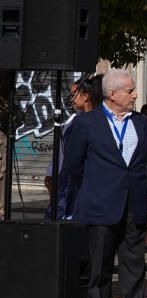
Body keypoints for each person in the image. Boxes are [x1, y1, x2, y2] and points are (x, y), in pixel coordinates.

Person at [62, 69, 147, 298]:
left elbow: (142, 165)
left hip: (134, 207)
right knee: (100, 267)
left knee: (134, 268)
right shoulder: (86, 124)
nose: (135, 95)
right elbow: (72, 166)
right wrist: (95, 189)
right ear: (112, 94)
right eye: (130, 91)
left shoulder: (141, 123)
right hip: (101, 206)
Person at [46, 74, 102, 219]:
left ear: (86, 96)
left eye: (73, 94)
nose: (70, 99)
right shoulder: (73, 121)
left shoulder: (86, 123)